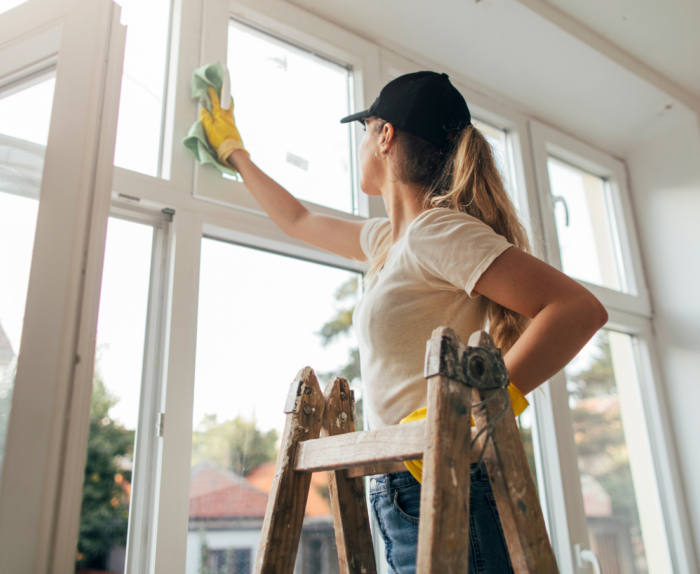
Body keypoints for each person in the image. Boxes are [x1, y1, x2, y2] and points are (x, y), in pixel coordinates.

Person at [200, 70, 607, 574]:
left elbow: (578, 310)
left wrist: (472, 413)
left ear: (385, 135)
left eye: (365, 130)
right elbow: (298, 221)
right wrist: (233, 151)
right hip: (402, 486)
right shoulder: (387, 243)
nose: (361, 145)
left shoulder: (437, 231)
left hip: (447, 482)